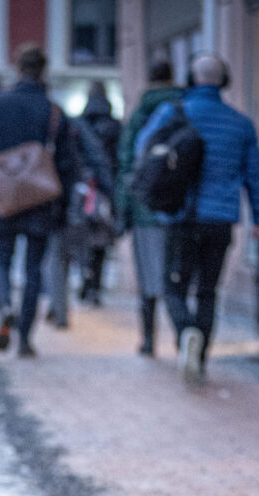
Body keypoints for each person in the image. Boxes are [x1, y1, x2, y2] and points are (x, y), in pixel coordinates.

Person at [136, 54, 259, 383]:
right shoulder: (241, 124)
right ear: (224, 81)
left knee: (173, 287)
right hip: (220, 219)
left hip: (181, 216)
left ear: (190, 79)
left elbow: (144, 148)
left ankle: (185, 333)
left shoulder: (172, 112)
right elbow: (255, 176)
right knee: (208, 291)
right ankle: (201, 358)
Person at [0, 44, 110, 357]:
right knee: (34, 269)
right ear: (43, 71)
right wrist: (61, 208)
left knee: (1, 259)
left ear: (18, 69)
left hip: (3, 199)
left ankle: (5, 303)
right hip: (40, 200)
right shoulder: (52, 111)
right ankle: (24, 337)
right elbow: (67, 164)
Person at [117, 61, 183, 355]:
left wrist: (123, 210)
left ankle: (148, 341)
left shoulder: (139, 114)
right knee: (178, 275)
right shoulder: (184, 108)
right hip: (181, 207)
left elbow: (126, 164)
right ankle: (183, 337)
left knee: (149, 278)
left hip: (145, 209)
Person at [74, 81, 122, 307]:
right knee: (101, 241)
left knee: (83, 238)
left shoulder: (79, 125)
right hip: (106, 190)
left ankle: (86, 278)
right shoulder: (115, 126)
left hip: (83, 190)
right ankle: (95, 287)